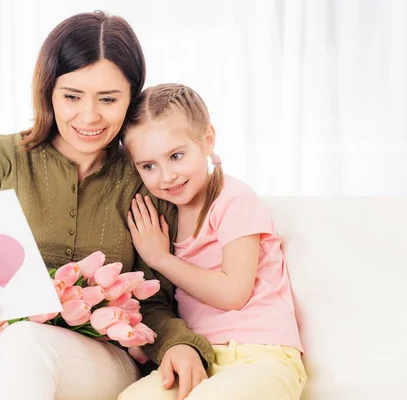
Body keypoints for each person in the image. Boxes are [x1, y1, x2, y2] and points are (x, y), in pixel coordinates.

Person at [0, 13, 215, 400]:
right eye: (71, 96)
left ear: (131, 97)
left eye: (108, 99)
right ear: (48, 92)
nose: (89, 116)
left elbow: (153, 298)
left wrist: (177, 343)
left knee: (23, 342)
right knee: (13, 347)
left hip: (97, 361)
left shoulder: (145, 178)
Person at [118, 83, 307, 399]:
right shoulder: (167, 216)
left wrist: (161, 258)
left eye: (176, 156)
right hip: (202, 355)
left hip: (263, 355)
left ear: (207, 139)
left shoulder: (234, 200)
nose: (166, 176)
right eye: (148, 166)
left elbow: (234, 292)